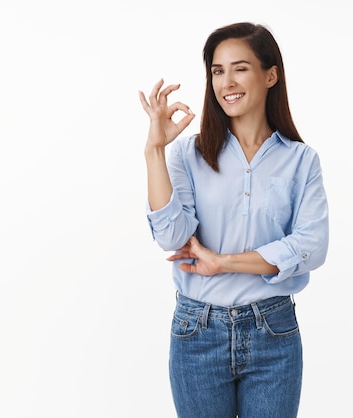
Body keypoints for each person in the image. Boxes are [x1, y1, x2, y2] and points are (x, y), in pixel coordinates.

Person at [138, 22, 329, 417]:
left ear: (270, 74)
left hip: (272, 332)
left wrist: (223, 262)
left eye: (240, 68)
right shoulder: (188, 155)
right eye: (217, 71)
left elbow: (311, 246)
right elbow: (172, 234)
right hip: (198, 332)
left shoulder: (301, 160)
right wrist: (155, 149)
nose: (227, 82)